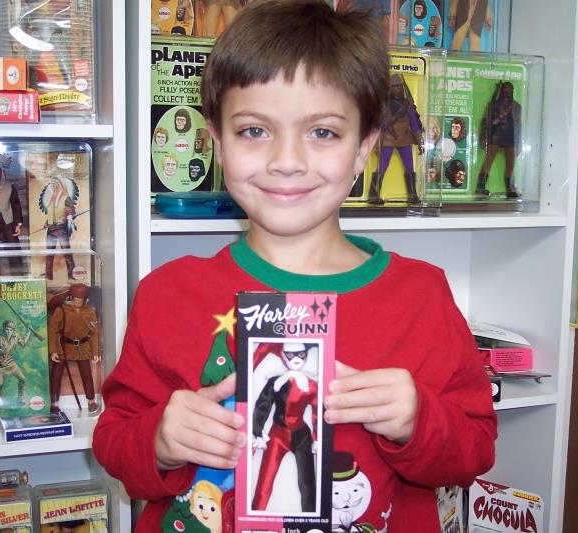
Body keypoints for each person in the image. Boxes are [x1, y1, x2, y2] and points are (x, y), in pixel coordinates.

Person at [92, 1, 497, 531]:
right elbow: (116, 444)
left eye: (322, 132)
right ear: (217, 143)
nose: (287, 161)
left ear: (364, 147)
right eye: (254, 131)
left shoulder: (421, 295)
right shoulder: (166, 294)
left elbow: (475, 450)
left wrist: (418, 419)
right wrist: (160, 441)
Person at [251, 342, 318, 512]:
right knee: (264, 482)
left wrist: (317, 437)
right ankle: (254, 517)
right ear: (284, 356)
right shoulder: (276, 382)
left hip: (301, 435)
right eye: (291, 355)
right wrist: (257, 431)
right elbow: (263, 405)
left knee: (308, 484)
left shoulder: (311, 385)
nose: (296, 359)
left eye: (301, 355)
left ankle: (311, 521)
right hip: (277, 435)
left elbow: (318, 411)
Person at [368, 73, 424, 205]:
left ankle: (413, 194)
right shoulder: (384, 106)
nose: (398, 88)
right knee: (382, 166)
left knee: (409, 166)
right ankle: (373, 195)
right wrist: (375, 143)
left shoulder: (407, 105)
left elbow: (414, 125)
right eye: (395, 86)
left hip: (404, 140)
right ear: (390, 88)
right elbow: (378, 125)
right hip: (387, 140)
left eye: (399, 86)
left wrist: (420, 142)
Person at [48, 283, 100, 413]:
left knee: (86, 374)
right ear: (71, 297)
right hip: (63, 346)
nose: (78, 301)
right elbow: (52, 330)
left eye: (81, 298)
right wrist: (53, 351)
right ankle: (53, 403)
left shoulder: (90, 311)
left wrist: (95, 352)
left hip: (81, 347)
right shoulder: (62, 310)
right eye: (76, 298)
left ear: (85, 299)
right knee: (56, 374)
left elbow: (94, 333)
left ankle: (91, 400)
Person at [476, 81, 521, 198]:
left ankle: (510, 189)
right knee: (488, 161)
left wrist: (519, 143)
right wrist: (483, 136)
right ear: (502, 90)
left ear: (512, 90)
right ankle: (480, 187)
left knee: (510, 164)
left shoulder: (516, 106)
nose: (507, 90)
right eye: (506, 88)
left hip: (510, 136)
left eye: (510, 88)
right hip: (496, 134)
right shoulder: (494, 105)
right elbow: (486, 121)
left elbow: (518, 125)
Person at [38, 154, 80, 280]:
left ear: (60, 185)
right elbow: (52, 213)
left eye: (55, 184)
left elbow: (72, 211)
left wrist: (69, 216)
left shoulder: (65, 198)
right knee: (49, 253)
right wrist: (46, 222)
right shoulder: (51, 200)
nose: (53, 186)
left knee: (66, 252)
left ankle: (72, 274)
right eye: (52, 184)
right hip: (51, 228)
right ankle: (48, 275)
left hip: (61, 228)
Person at [0, 320, 31, 408]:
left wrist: (28, 332)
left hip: (10, 363)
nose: (8, 332)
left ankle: (21, 399)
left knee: (22, 379)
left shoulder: (16, 336)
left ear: (13, 330)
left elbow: (23, 343)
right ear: (4, 329)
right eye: (7, 329)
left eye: (10, 330)